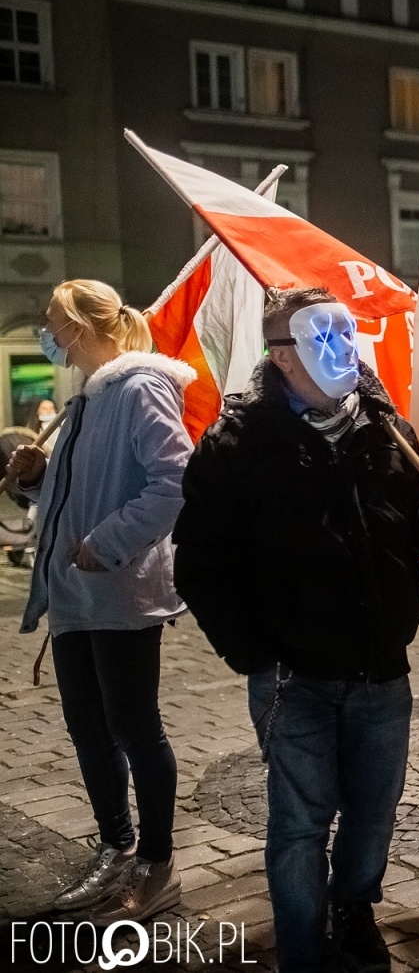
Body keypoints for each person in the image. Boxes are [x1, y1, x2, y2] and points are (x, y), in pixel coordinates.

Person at [172, 287, 419, 973]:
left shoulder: (383, 427)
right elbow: (199, 562)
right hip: (294, 677)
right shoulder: (238, 443)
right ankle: (305, 955)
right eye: (324, 339)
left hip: (381, 669)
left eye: (348, 336)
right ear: (282, 355)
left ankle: (355, 907)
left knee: (374, 811)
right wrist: (255, 652)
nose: (344, 352)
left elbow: (408, 521)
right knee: (301, 825)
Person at [6, 279, 193, 922]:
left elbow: (173, 483)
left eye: (54, 323)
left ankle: (157, 862)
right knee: (88, 728)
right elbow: (74, 498)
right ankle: (116, 847)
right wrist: (36, 484)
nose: (49, 334)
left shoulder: (140, 388)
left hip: (122, 591)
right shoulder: (86, 400)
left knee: (134, 728)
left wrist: (106, 543)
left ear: (83, 328)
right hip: (75, 594)